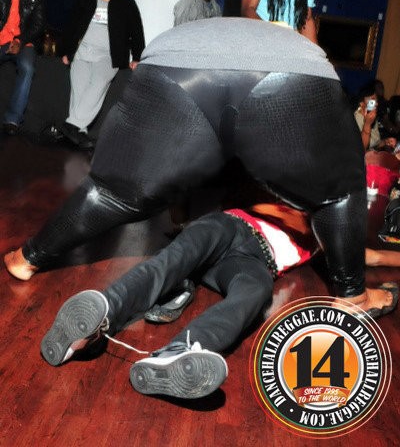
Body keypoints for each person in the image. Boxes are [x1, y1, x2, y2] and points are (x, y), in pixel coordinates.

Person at [4, 17, 397, 318]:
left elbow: (189, 175)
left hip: (173, 62)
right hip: (291, 74)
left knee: (111, 190)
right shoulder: (303, 55)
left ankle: (28, 257)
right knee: (340, 193)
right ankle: (353, 296)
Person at [40, 208, 399, 400]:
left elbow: (377, 257)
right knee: (173, 260)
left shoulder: (331, 237)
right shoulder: (291, 195)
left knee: (256, 293)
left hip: (256, 262)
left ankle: (179, 354)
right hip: (230, 226)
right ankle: (98, 319)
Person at [58, 0, 145, 149]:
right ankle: (79, 134)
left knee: (98, 85)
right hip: (81, 53)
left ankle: (70, 125)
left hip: (108, 56)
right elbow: (71, 26)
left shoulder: (127, 4)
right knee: (79, 92)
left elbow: (137, 33)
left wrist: (137, 57)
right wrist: (65, 51)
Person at [0, 0, 46, 135]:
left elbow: (39, 24)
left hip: (24, 41)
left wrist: (20, 40)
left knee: (27, 67)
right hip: (2, 39)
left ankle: (12, 119)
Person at [354, 81, 397, 151]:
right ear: (362, 103)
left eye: (376, 101)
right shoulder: (355, 119)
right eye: (372, 101)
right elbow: (360, 149)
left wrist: (386, 141)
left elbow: (374, 144)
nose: (376, 104)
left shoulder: (372, 117)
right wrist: (367, 124)